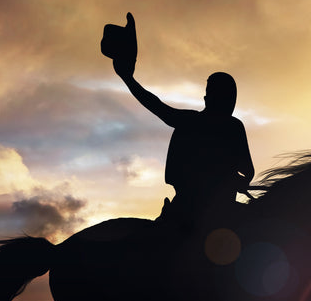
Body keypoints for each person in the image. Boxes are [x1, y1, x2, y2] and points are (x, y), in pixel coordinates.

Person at [104, 12, 254, 230]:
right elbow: (157, 106)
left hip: (223, 210)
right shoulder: (194, 121)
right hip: (187, 211)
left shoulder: (234, 127)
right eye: (221, 94)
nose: (227, 101)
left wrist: (240, 180)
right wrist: (128, 79)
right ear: (207, 98)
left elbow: (248, 170)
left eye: (229, 95)